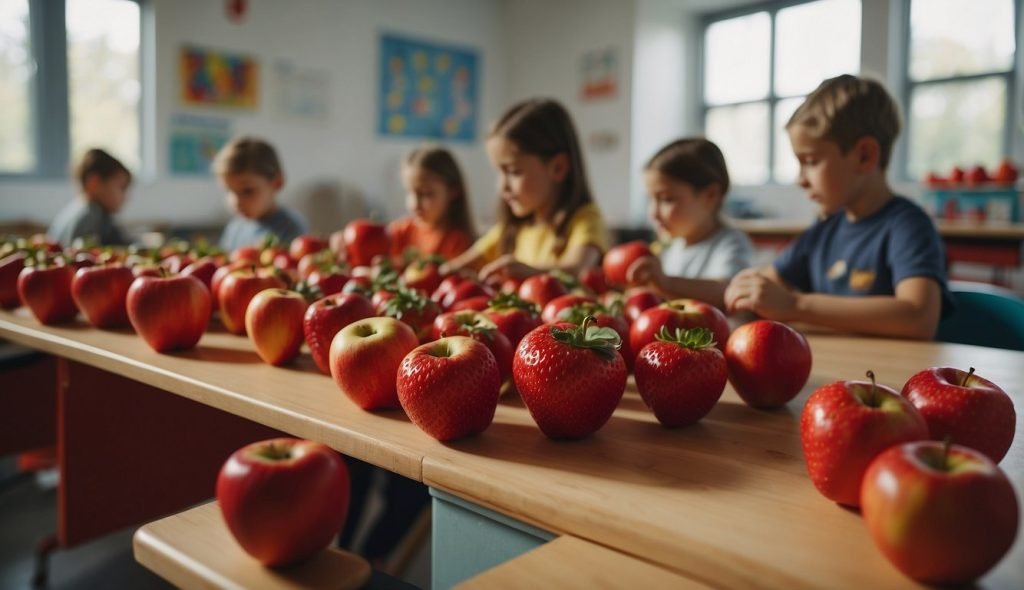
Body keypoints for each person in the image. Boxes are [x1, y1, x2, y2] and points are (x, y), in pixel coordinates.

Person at [724, 74, 953, 340]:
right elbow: (767, 287)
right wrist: (748, 291)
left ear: (864, 156)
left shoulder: (908, 225)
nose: (800, 179)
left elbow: (918, 316)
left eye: (810, 161)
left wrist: (796, 305)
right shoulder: (823, 230)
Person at [443, 98, 609, 280]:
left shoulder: (586, 219)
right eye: (498, 173)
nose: (502, 186)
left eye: (514, 172)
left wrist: (531, 273)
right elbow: (457, 267)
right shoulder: (510, 229)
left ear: (558, 168)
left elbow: (577, 269)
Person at [625, 138, 754, 309]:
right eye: (650, 199)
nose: (653, 213)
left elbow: (728, 291)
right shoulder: (669, 246)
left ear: (710, 195)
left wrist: (666, 283)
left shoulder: (731, 243)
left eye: (666, 199)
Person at [213, 137, 309, 253]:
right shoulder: (235, 228)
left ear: (277, 183)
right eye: (229, 190)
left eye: (247, 191)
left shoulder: (291, 228)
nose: (236, 201)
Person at [388, 145, 475, 263]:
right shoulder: (399, 232)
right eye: (409, 192)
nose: (414, 204)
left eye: (426, 194)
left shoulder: (459, 243)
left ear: (453, 190)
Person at [48, 149, 131, 246]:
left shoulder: (80, 209)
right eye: (122, 188)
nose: (126, 197)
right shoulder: (90, 216)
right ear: (94, 184)